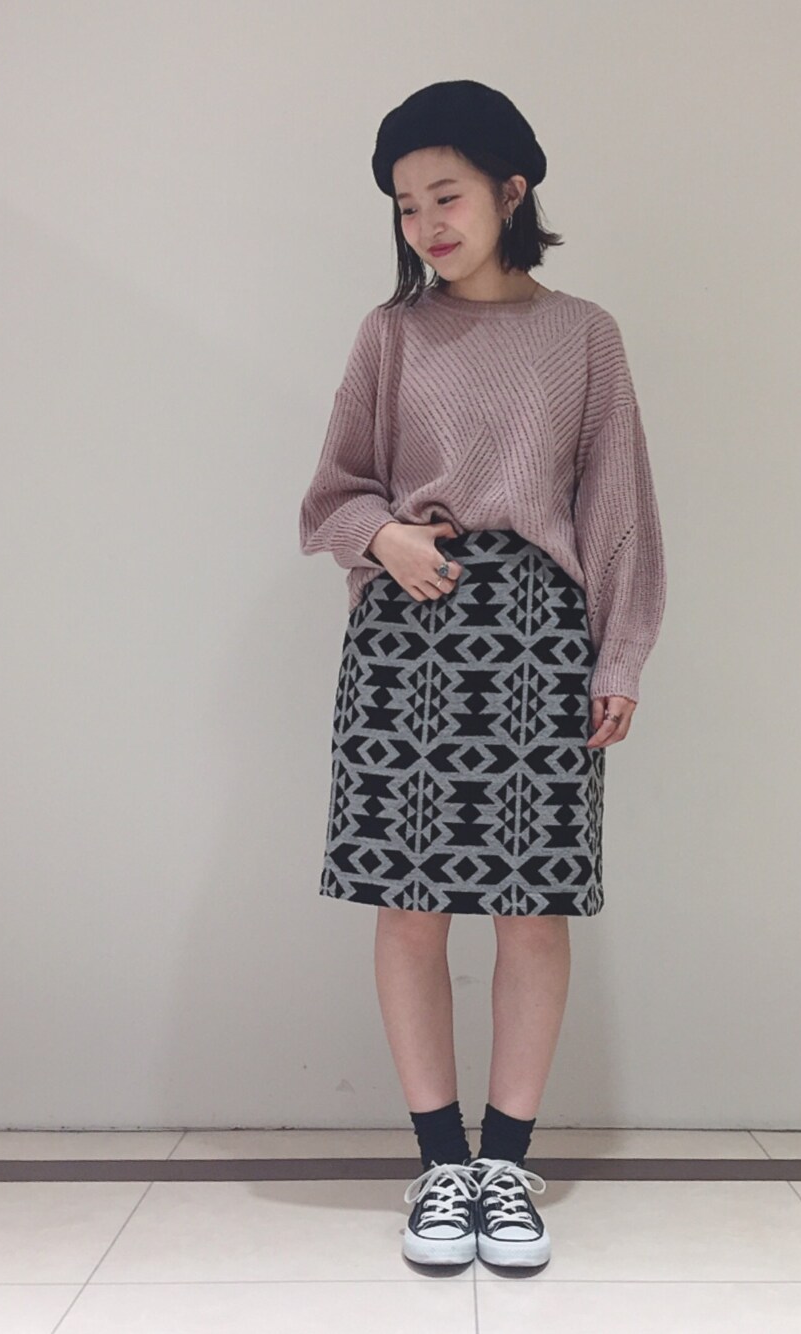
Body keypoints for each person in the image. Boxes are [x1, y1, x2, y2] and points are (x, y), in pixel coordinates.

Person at [297, 79, 667, 1271]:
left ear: (512, 190)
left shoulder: (584, 335)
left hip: (538, 641)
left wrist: (619, 650)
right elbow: (332, 492)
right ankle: (438, 1165)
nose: (426, 224)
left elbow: (616, 506)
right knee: (409, 907)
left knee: (530, 907)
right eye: (406, 206)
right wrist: (382, 536)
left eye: (445, 195)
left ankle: (505, 1165)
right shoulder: (390, 335)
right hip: (406, 638)